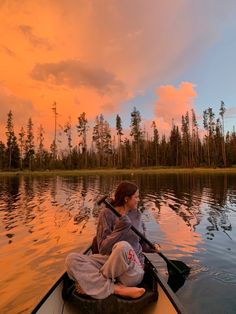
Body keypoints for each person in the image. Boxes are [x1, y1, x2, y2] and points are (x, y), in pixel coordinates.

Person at [65, 181, 159, 299]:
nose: (138, 199)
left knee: (123, 246)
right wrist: (120, 230)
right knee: (72, 259)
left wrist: (153, 247)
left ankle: (93, 283)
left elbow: (142, 243)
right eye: (136, 197)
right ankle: (116, 289)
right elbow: (103, 249)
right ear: (126, 198)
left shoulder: (137, 214)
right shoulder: (106, 214)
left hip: (132, 269)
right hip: (109, 260)